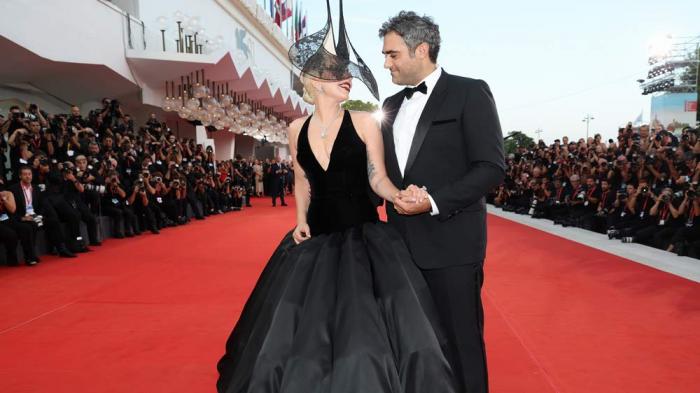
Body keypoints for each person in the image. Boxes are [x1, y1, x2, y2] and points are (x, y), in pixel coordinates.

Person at [217, 1, 456, 392]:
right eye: (337, 73)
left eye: (348, 73)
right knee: (303, 332)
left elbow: (377, 178)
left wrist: (400, 196)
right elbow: (302, 181)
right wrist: (299, 221)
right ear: (314, 80)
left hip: (364, 238)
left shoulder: (363, 122)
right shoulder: (295, 129)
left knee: (362, 331)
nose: (347, 78)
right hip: (314, 239)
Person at [379, 11, 505, 393]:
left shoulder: (470, 92)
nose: (386, 63)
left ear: (421, 49)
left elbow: (490, 168)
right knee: (410, 346)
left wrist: (432, 201)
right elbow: (382, 176)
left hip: (451, 245)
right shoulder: (389, 104)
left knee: (461, 344)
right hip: (398, 249)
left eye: (392, 54)